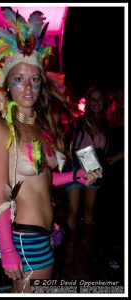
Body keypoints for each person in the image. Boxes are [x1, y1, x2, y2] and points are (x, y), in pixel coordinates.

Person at [0, 8, 102, 293]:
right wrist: (7, 249)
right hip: (23, 239)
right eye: (19, 79)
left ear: (43, 84)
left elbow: (41, 179)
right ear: (6, 84)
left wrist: (76, 176)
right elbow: (0, 194)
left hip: (46, 234)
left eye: (35, 79)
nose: (28, 87)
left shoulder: (37, 129)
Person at [64, 85, 110, 258]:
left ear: (104, 102)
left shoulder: (108, 124)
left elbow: (106, 151)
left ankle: (86, 246)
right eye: (93, 99)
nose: (96, 102)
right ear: (88, 102)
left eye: (100, 99)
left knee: (90, 210)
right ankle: (70, 248)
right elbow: (66, 143)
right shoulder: (78, 122)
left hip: (94, 167)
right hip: (76, 165)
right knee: (73, 210)